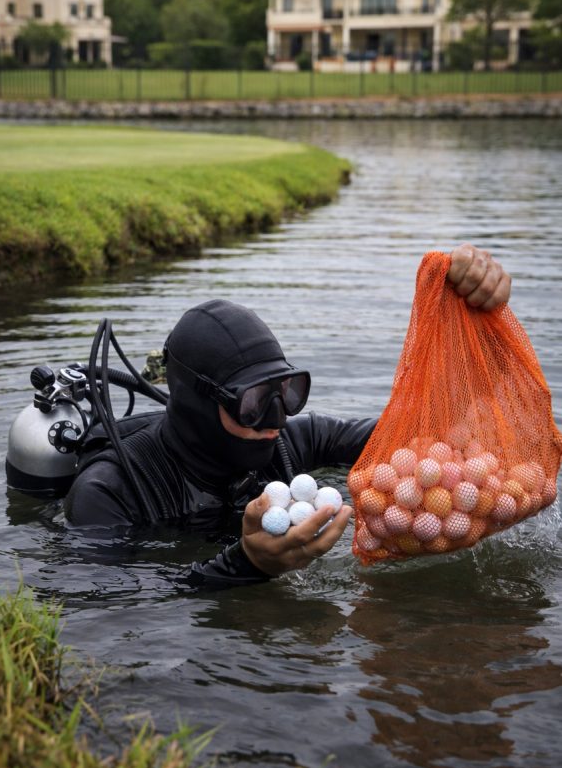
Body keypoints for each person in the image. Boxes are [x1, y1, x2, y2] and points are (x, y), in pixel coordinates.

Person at [64, 244, 512, 586]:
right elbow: (117, 610)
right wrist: (246, 565)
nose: (277, 419)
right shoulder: (109, 493)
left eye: (287, 393)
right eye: (255, 401)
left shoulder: (287, 444)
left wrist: (476, 328)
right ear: (200, 404)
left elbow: (421, 430)